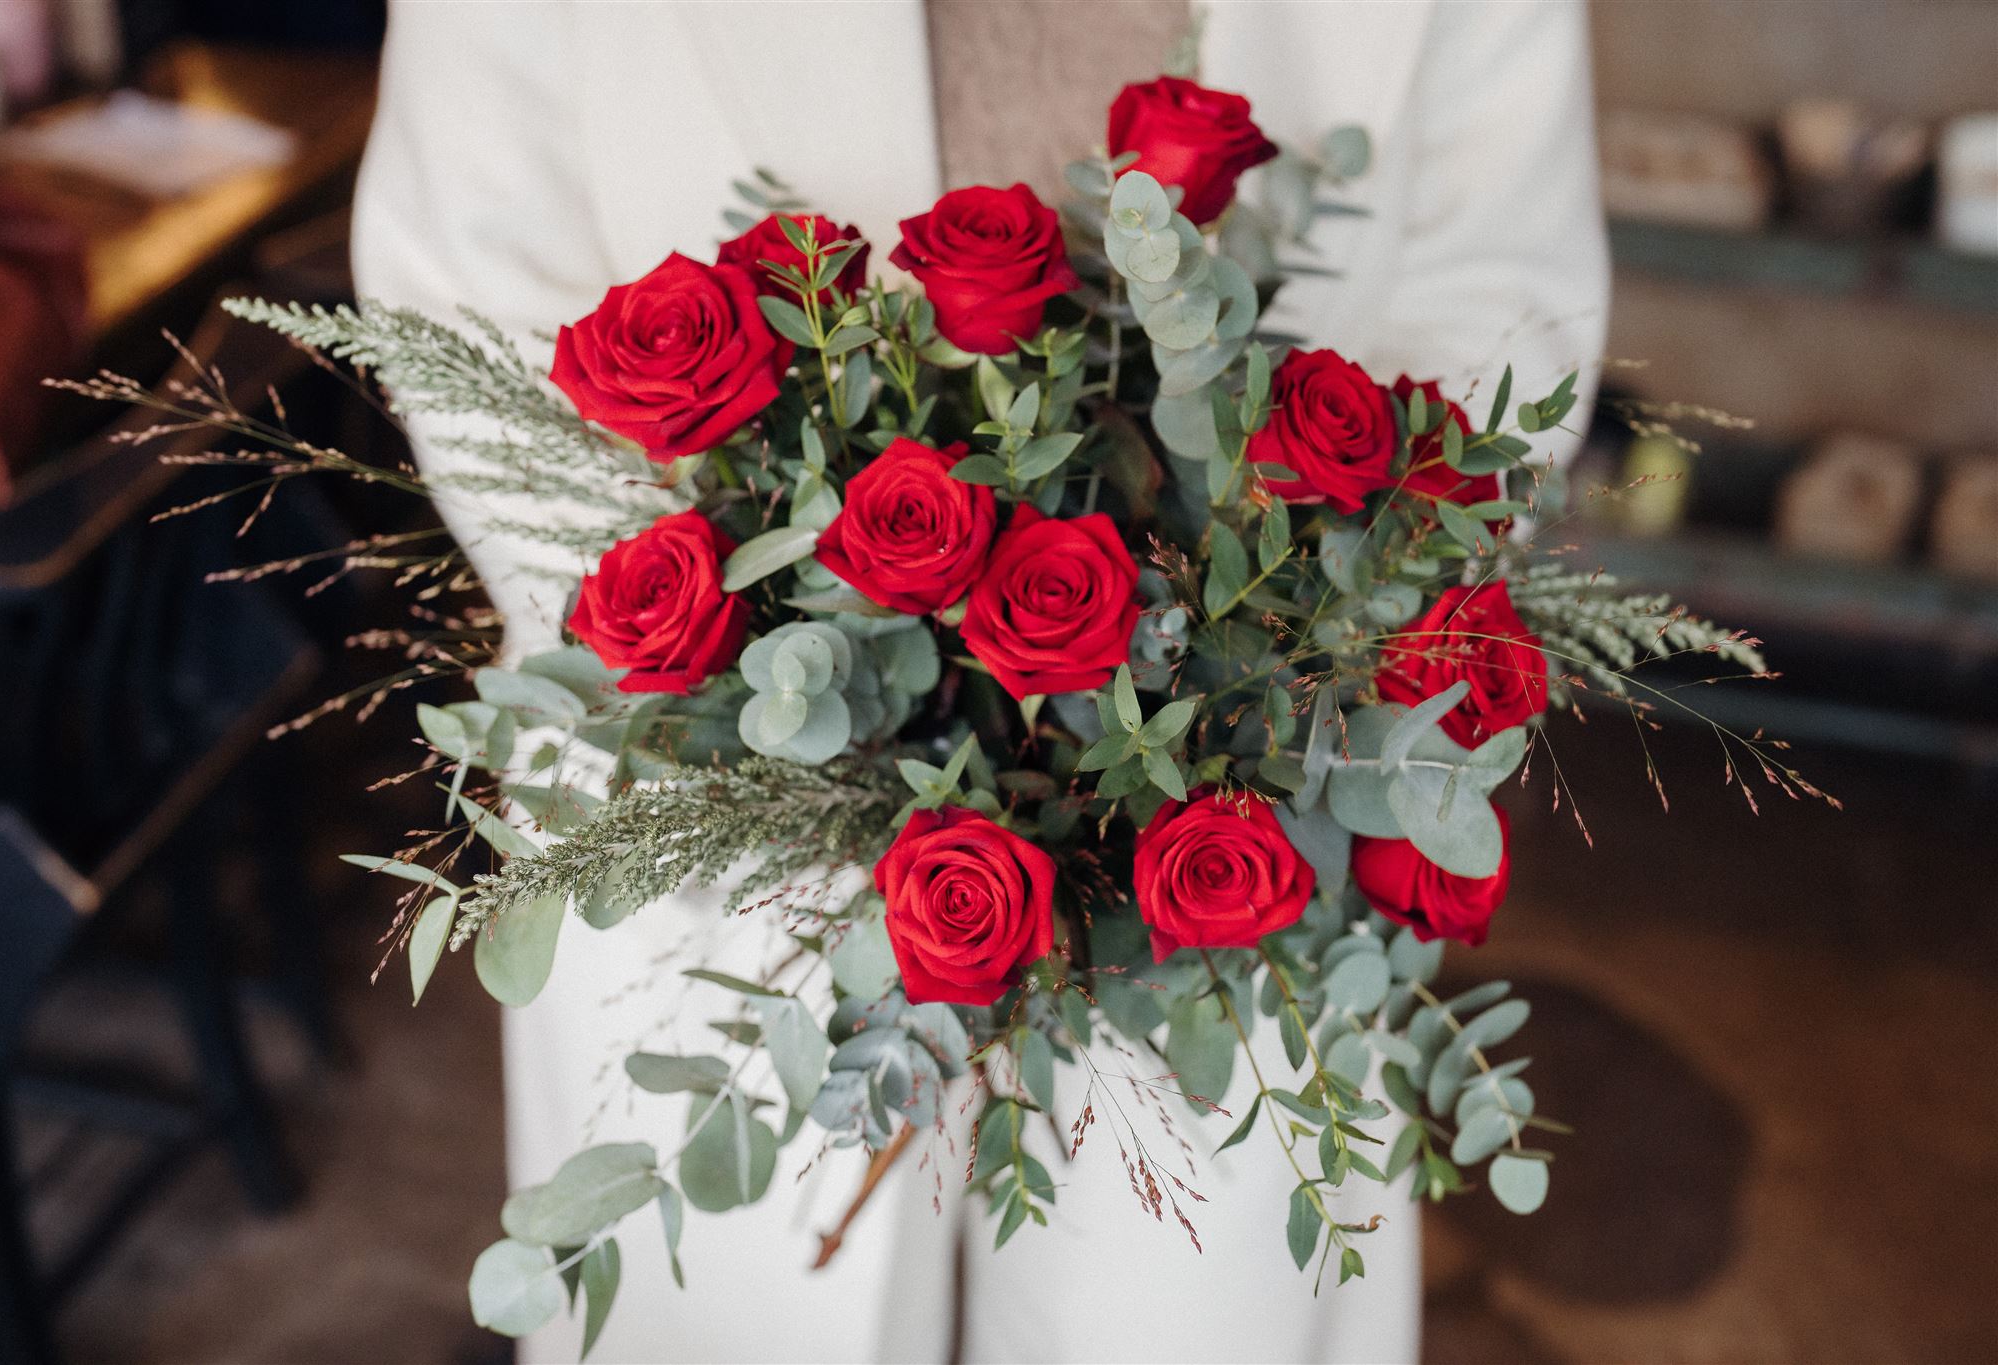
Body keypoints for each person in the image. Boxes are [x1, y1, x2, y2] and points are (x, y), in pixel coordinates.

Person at [350, 4, 1607, 1361]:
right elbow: (467, 267)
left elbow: (1501, 283)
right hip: (724, 784)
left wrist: (1294, 629)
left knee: (1182, 1311)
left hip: (1236, 786)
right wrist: (769, 668)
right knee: (733, 1303)